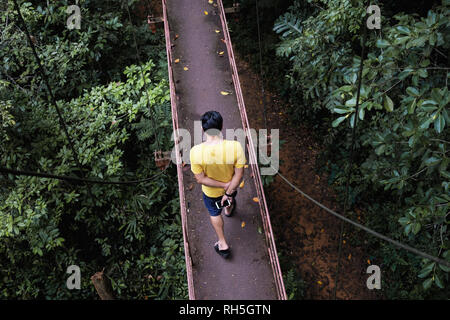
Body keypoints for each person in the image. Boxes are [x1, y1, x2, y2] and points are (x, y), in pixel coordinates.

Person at [190, 111, 246, 259]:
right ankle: (228, 209)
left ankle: (223, 243)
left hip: (212, 193)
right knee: (228, 199)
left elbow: (200, 179)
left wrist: (222, 186)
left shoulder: (195, 152)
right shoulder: (235, 147)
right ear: (221, 127)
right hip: (231, 188)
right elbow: (239, 174)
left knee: (214, 213)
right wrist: (228, 189)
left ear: (203, 129)